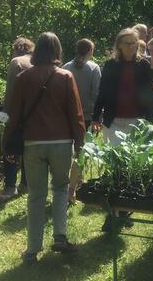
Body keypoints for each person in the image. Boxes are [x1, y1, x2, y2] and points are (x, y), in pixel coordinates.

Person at [5, 32, 85, 261]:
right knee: (60, 189)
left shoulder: (23, 78)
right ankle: (60, 236)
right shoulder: (65, 76)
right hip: (61, 142)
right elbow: (76, 115)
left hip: (33, 142)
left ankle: (32, 249)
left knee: (36, 195)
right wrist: (80, 142)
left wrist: (8, 145)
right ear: (57, 51)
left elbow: (15, 114)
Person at [92, 28, 153, 231]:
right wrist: (96, 116)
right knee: (115, 166)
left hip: (137, 121)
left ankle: (124, 211)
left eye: (135, 43)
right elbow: (102, 92)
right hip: (114, 121)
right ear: (119, 45)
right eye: (128, 43)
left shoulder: (143, 65)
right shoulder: (111, 65)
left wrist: (152, 121)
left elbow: (149, 92)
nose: (132, 47)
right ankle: (114, 213)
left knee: (132, 167)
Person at [62, 38, 101, 203]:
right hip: (86, 117)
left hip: (66, 117)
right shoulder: (93, 68)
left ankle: (73, 181)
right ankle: (72, 188)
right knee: (81, 152)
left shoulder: (65, 68)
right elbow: (96, 94)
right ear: (90, 51)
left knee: (67, 152)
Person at [1, 36, 34, 198]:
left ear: (16, 49)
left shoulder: (17, 62)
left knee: (10, 147)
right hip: (34, 113)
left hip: (17, 113)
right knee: (28, 148)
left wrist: (5, 113)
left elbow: (11, 91)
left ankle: (9, 186)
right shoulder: (37, 61)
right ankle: (25, 184)